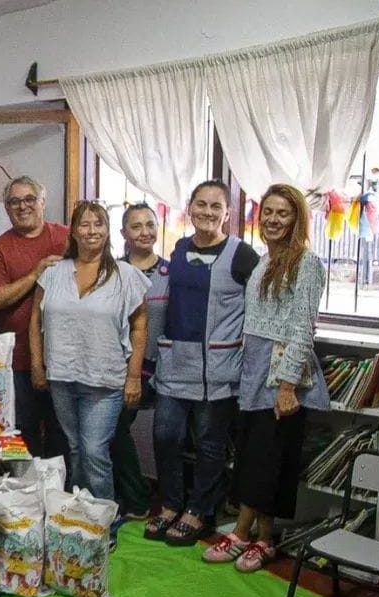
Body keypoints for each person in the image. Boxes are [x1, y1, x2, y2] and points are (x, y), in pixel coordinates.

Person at [202, 184, 327, 572]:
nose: (273, 220)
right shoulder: (264, 261)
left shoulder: (306, 263)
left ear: (297, 219)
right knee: (260, 457)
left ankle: (245, 534)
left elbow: (303, 328)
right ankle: (261, 537)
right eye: (268, 212)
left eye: (283, 213)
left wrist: (288, 385)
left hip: (281, 374)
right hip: (255, 369)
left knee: (267, 458)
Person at [146, 180, 260, 546]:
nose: (207, 212)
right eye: (201, 204)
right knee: (166, 437)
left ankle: (198, 511)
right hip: (175, 364)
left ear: (228, 213)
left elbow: (258, 311)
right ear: (189, 208)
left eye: (216, 206)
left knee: (211, 444)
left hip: (219, 371)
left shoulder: (243, 255)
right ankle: (171, 504)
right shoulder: (178, 250)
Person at [30, 201, 149, 502]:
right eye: (84, 224)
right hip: (62, 375)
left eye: (99, 224)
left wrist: (134, 376)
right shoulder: (54, 272)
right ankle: (79, 514)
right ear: (73, 231)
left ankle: (100, 521)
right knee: (74, 448)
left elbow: (139, 327)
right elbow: (35, 321)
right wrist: (36, 365)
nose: (92, 230)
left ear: (109, 232)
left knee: (95, 451)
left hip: (105, 379)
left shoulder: (126, 275)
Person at [0, 176, 70, 458]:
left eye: (29, 199)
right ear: (6, 209)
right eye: (14, 202)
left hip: (66, 357)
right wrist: (35, 274)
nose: (22, 206)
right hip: (18, 359)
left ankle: (60, 496)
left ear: (43, 202)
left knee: (63, 434)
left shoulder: (67, 238)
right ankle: (26, 497)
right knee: (23, 434)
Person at [111, 203, 169, 519]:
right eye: (136, 226)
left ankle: (155, 500)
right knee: (113, 429)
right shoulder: (112, 271)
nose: (144, 231)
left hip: (165, 371)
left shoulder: (172, 273)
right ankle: (135, 498)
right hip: (122, 371)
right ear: (123, 233)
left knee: (170, 438)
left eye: (150, 224)